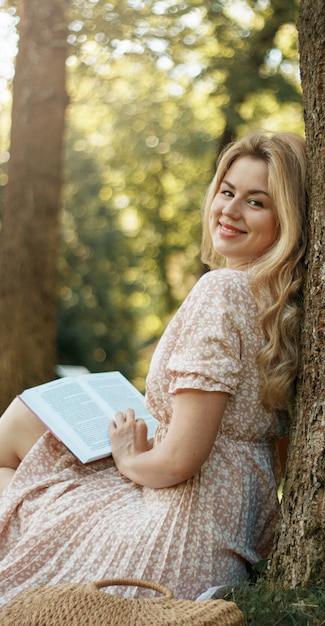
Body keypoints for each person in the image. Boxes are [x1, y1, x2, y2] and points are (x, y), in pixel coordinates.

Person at [0, 131, 307, 606]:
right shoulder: (286, 307)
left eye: (256, 202)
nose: (229, 210)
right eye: (227, 192)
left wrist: (126, 457)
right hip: (228, 540)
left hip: (167, 541)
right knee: (29, 427)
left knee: (13, 467)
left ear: (286, 219)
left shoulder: (222, 291)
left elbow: (178, 461)